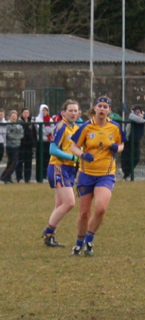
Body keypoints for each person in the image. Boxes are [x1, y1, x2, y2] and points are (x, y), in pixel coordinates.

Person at [70, 96, 126, 256]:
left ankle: (89, 239)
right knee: (84, 213)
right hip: (86, 174)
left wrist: (118, 148)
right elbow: (74, 146)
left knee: (101, 208)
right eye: (99, 106)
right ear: (94, 108)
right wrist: (82, 154)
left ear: (109, 110)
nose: (102, 109)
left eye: (105, 107)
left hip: (106, 175)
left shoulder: (115, 127)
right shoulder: (86, 127)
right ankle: (79, 243)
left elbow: (122, 144)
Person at [41, 100, 81, 248]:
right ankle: (48, 231)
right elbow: (52, 149)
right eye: (70, 110)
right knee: (69, 203)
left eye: (75, 111)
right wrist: (72, 157)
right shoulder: (61, 127)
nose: (73, 113)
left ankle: (50, 237)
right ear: (63, 112)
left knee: (59, 204)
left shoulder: (76, 128)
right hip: (58, 167)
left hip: (69, 169)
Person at [121, 105, 145, 180]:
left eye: (139, 111)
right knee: (126, 157)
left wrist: (144, 116)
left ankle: (127, 172)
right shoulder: (131, 115)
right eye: (137, 111)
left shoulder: (143, 114)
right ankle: (126, 174)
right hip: (127, 139)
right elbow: (140, 120)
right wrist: (144, 118)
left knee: (136, 157)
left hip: (136, 140)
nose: (138, 112)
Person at [1, 110, 24, 184]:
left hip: (17, 145)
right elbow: (8, 135)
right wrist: (15, 137)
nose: (14, 118)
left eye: (15, 116)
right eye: (12, 116)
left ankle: (7, 177)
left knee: (11, 162)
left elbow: (21, 134)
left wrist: (16, 137)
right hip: (10, 146)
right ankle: (4, 176)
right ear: (9, 117)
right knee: (14, 162)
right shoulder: (7, 124)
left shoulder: (19, 125)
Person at [35, 104, 54, 183]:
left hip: (48, 141)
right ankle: (40, 177)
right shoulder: (38, 119)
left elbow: (52, 129)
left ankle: (45, 176)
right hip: (41, 141)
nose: (44, 112)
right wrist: (47, 130)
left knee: (47, 159)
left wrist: (47, 130)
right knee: (40, 159)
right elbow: (40, 130)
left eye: (46, 110)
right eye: (43, 110)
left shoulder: (50, 119)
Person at [16, 108, 35, 183]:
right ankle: (19, 178)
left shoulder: (31, 122)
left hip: (29, 145)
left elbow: (34, 133)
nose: (26, 114)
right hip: (21, 144)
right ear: (21, 113)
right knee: (20, 161)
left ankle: (27, 178)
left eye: (27, 112)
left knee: (28, 162)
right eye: (24, 112)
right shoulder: (19, 122)